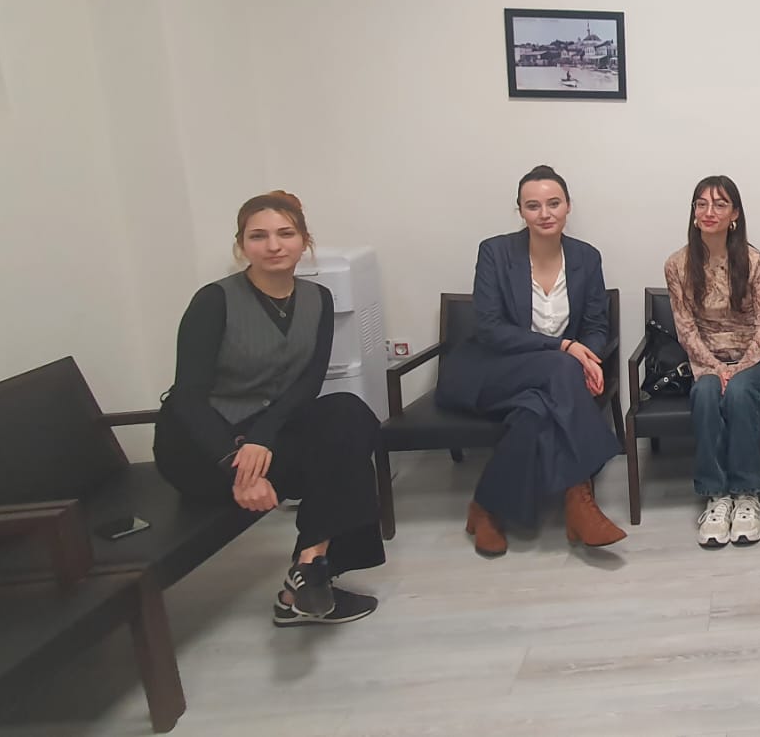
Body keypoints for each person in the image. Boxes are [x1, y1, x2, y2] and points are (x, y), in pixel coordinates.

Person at [154, 191, 385, 626]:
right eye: (258, 236)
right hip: (201, 446)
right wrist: (235, 465)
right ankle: (309, 580)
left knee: (350, 415)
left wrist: (262, 439)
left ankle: (309, 569)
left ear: (304, 241)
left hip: (264, 435)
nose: (274, 245)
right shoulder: (214, 300)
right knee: (337, 455)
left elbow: (307, 384)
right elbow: (188, 397)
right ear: (241, 245)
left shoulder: (318, 299)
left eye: (285, 233)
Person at [436, 165, 625, 557]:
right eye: (533, 206)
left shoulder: (586, 257)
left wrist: (588, 357)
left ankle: (485, 509)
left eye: (553, 203)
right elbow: (490, 329)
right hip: (490, 370)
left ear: (568, 206)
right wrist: (565, 348)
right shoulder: (495, 252)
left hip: (548, 383)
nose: (545, 213)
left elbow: (595, 325)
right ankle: (580, 498)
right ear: (520, 211)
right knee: (561, 367)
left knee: (535, 411)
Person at [664, 176, 760, 548]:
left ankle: (747, 494)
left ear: (734, 214)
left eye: (720, 204)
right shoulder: (677, 264)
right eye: (701, 204)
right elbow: (686, 329)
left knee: (739, 391)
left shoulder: (752, 260)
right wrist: (717, 368)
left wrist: (737, 370)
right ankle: (716, 496)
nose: (709, 212)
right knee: (705, 393)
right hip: (707, 360)